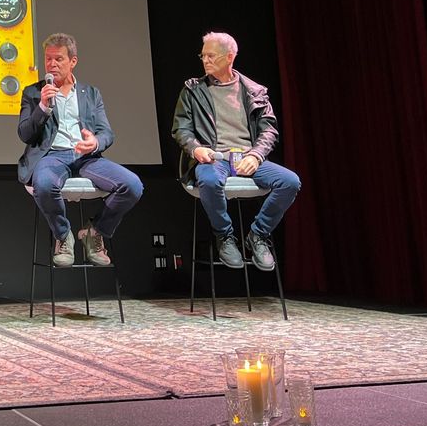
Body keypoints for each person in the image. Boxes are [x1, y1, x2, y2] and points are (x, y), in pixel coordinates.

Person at [171, 32, 301, 271]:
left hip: (248, 157)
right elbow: (181, 129)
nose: (205, 60)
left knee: (290, 181)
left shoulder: (255, 91)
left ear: (229, 57)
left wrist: (256, 155)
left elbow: (269, 130)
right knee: (208, 180)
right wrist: (196, 148)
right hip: (215, 157)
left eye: (211, 55)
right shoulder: (192, 90)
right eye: (203, 55)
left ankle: (258, 235)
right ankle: (225, 236)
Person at [18, 33, 144, 268]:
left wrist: (94, 142)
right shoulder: (33, 93)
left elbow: (107, 133)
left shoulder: (91, 93)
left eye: (58, 59)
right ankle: (63, 235)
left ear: (73, 61)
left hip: (86, 156)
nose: (52, 65)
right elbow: (25, 134)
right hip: (52, 156)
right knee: (44, 185)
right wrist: (43, 107)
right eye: (48, 59)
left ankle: (95, 232)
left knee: (132, 186)